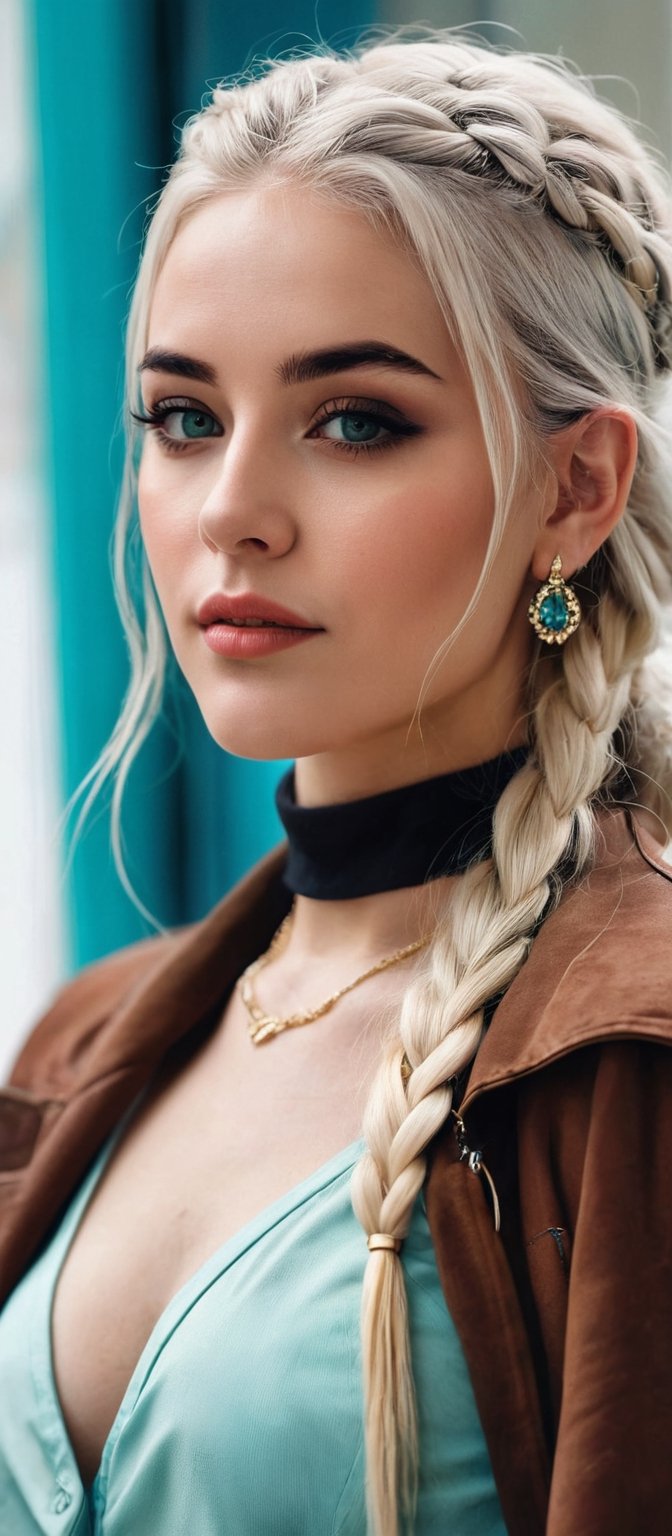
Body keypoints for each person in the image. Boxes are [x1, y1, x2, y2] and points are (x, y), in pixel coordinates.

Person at [1, 23, 672, 1536]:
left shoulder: (630, 1057)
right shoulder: (82, 1048)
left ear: (578, 487)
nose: (230, 511)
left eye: (354, 422)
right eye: (183, 417)